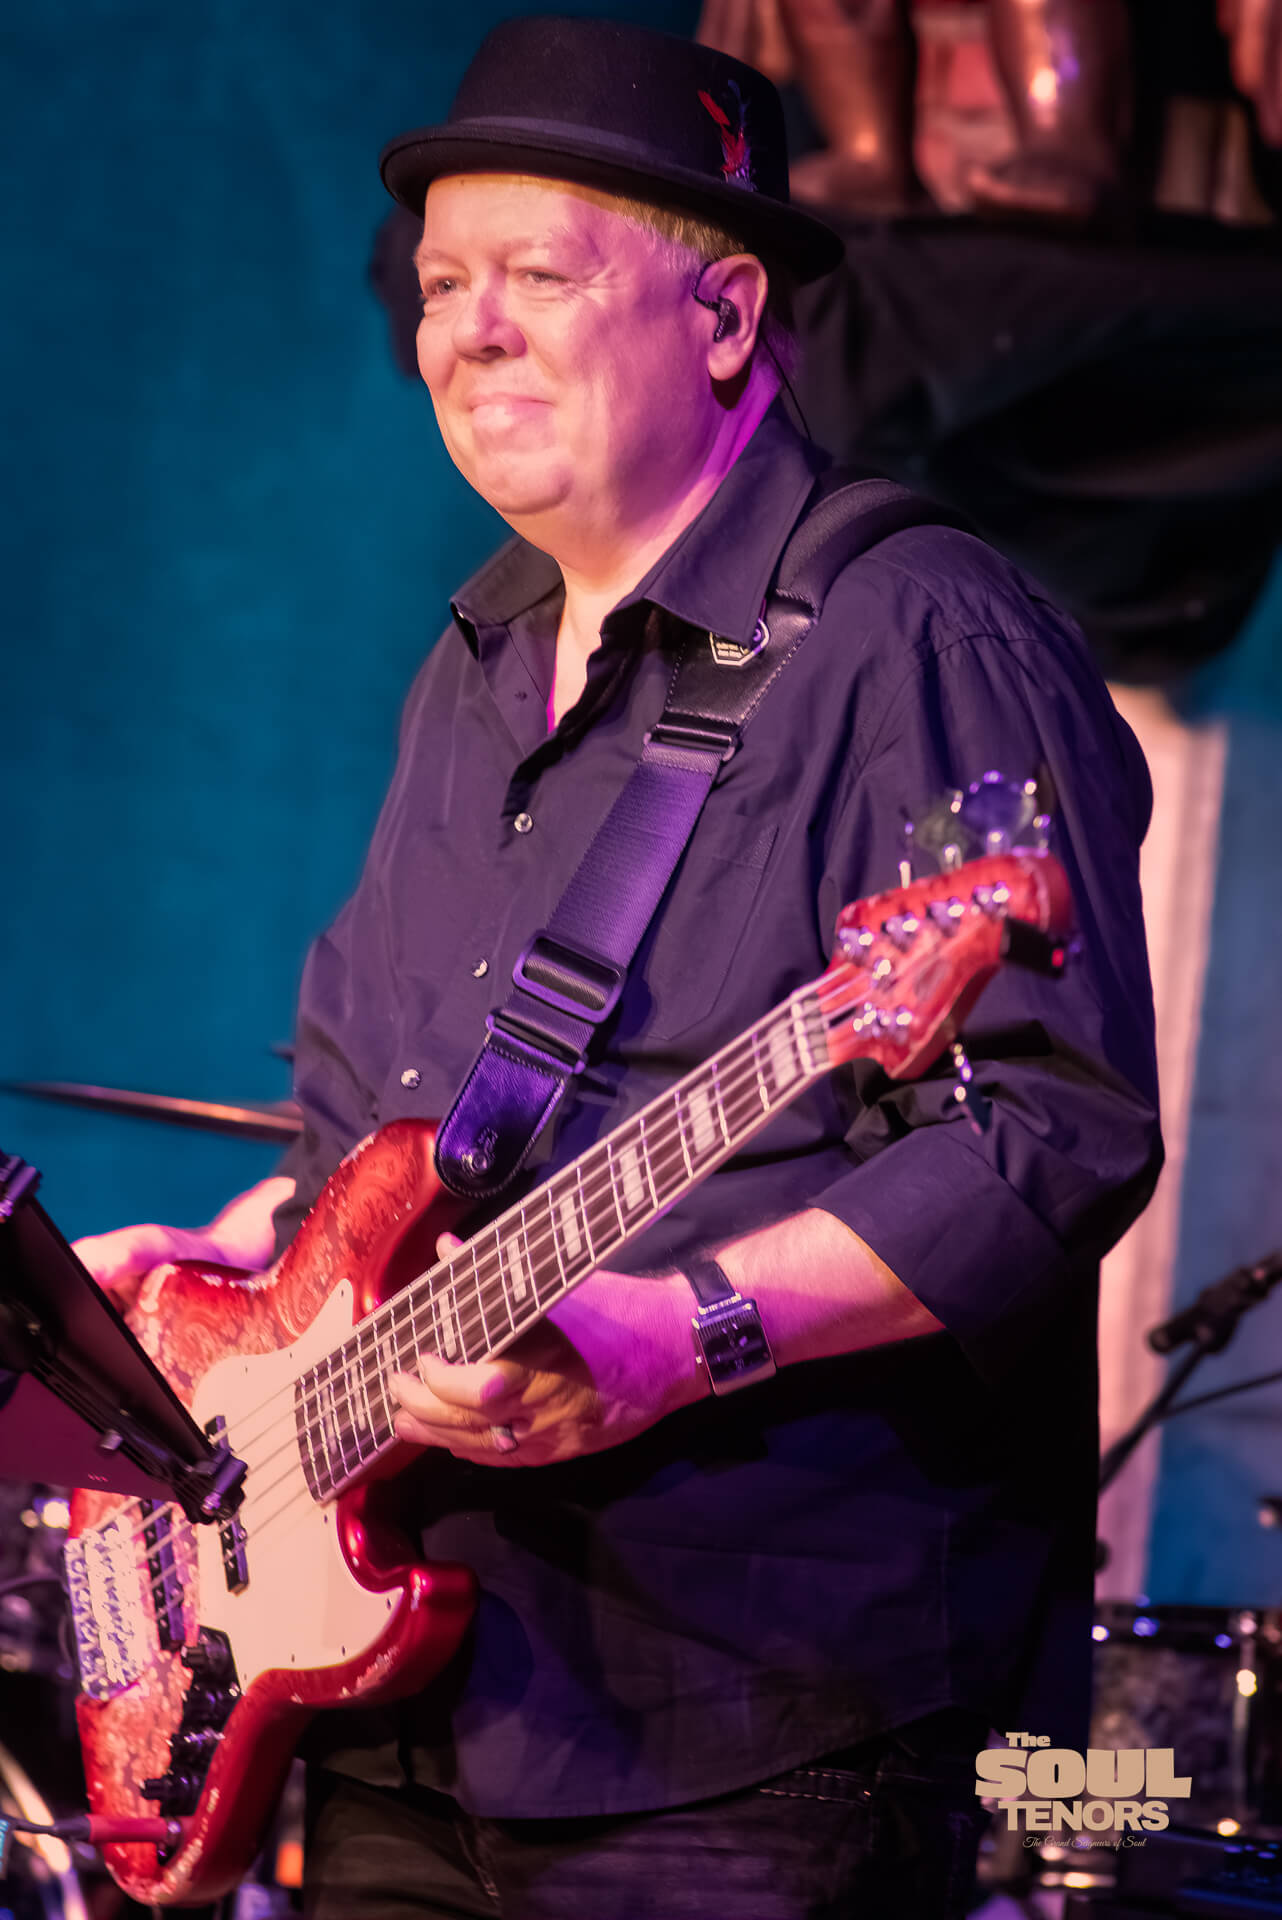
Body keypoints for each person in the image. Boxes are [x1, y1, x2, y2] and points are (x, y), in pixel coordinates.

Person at [75, 18, 1162, 1918]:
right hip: (409, 1696)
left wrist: (688, 1331)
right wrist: (210, 1296)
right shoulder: (474, 664)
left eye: (538, 278)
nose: (467, 332)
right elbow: (376, 1139)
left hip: (740, 1716)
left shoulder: (922, 633)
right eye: (440, 287)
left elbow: (1049, 1133)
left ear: (724, 317)